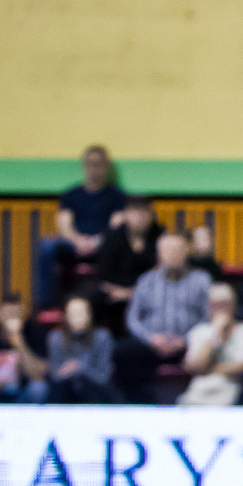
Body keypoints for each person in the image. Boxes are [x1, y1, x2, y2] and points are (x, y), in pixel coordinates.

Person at [113, 234, 211, 403]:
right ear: (159, 254)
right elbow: (132, 319)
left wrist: (186, 339)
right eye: (168, 250)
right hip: (152, 344)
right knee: (125, 352)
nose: (173, 254)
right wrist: (150, 338)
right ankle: (139, 405)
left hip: (189, 345)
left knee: (210, 349)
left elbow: (208, 317)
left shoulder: (201, 280)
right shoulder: (146, 281)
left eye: (177, 250)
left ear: (186, 252)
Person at [32, 145, 128, 311]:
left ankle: (109, 306)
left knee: (121, 245)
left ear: (105, 167)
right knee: (46, 246)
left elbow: (116, 225)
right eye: (90, 163)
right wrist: (77, 241)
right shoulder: (71, 195)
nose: (94, 168)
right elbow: (64, 224)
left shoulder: (117, 196)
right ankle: (46, 304)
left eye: (98, 164)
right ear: (84, 166)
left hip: (104, 243)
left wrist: (97, 241)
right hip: (73, 243)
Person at [180, 283, 243, 406]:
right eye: (216, 305)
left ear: (234, 306)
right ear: (208, 307)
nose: (221, 309)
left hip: (232, 388)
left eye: (224, 304)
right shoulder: (199, 331)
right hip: (200, 389)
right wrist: (215, 334)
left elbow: (242, 367)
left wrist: (207, 370)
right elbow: (194, 366)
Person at [95, 197, 164, 330]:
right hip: (115, 294)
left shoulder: (160, 238)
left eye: (144, 212)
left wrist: (134, 294)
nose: (139, 217)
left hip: (151, 295)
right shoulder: (112, 238)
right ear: (125, 214)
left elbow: (163, 274)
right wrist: (125, 293)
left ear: (151, 215)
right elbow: (103, 278)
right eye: (134, 212)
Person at [46, 294, 118, 403]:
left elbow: (103, 377)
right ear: (66, 316)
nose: (76, 317)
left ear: (89, 315)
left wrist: (79, 367)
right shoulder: (55, 338)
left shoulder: (102, 337)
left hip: (95, 393)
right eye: (72, 313)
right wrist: (66, 372)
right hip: (65, 393)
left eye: (80, 313)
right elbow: (55, 376)